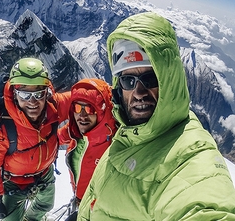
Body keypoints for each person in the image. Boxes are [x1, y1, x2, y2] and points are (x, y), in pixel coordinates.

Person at [78, 12, 235, 220]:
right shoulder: (128, 134)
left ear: (169, 81)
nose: (139, 92)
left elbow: (202, 203)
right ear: (118, 87)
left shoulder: (191, 158)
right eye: (128, 81)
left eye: (150, 78)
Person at [0, 57, 70, 221]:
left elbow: (82, 97)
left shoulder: (53, 106)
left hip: (44, 174)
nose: (33, 102)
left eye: (38, 94)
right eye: (24, 95)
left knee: (45, 206)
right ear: (14, 94)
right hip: (13, 182)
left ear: (46, 93)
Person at [57, 78, 117, 216]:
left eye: (90, 109)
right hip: (79, 202)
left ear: (101, 112)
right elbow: (52, 139)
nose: (82, 115)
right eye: (78, 108)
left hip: (100, 212)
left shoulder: (115, 141)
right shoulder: (75, 132)